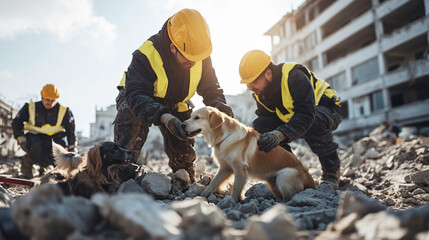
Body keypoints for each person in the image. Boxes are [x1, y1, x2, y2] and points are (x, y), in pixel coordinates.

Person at [114, 9, 233, 182]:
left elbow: (211, 88)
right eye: (188, 58)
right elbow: (135, 94)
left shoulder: (199, 54)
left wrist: (220, 108)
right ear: (173, 48)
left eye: (197, 58)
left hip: (175, 101)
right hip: (137, 98)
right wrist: (164, 117)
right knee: (131, 116)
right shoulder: (145, 55)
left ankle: (182, 177)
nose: (194, 62)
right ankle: (121, 174)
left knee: (183, 152)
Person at [239, 50, 342, 187]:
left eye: (253, 81)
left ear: (268, 73)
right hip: (296, 117)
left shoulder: (294, 76)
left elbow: (306, 114)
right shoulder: (260, 92)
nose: (250, 87)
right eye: (247, 83)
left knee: (315, 122)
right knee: (261, 125)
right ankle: (292, 171)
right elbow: (266, 118)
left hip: (326, 109)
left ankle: (331, 174)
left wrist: (280, 134)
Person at [12, 84, 76, 178]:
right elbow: (17, 122)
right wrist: (20, 138)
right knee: (35, 147)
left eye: (52, 100)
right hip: (36, 139)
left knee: (60, 151)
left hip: (56, 140)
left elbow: (71, 130)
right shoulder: (30, 107)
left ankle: (59, 174)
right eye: (47, 100)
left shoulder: (64, 111)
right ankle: (26, 172)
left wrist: (72, 147)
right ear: (42, 97)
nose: (50, 102)